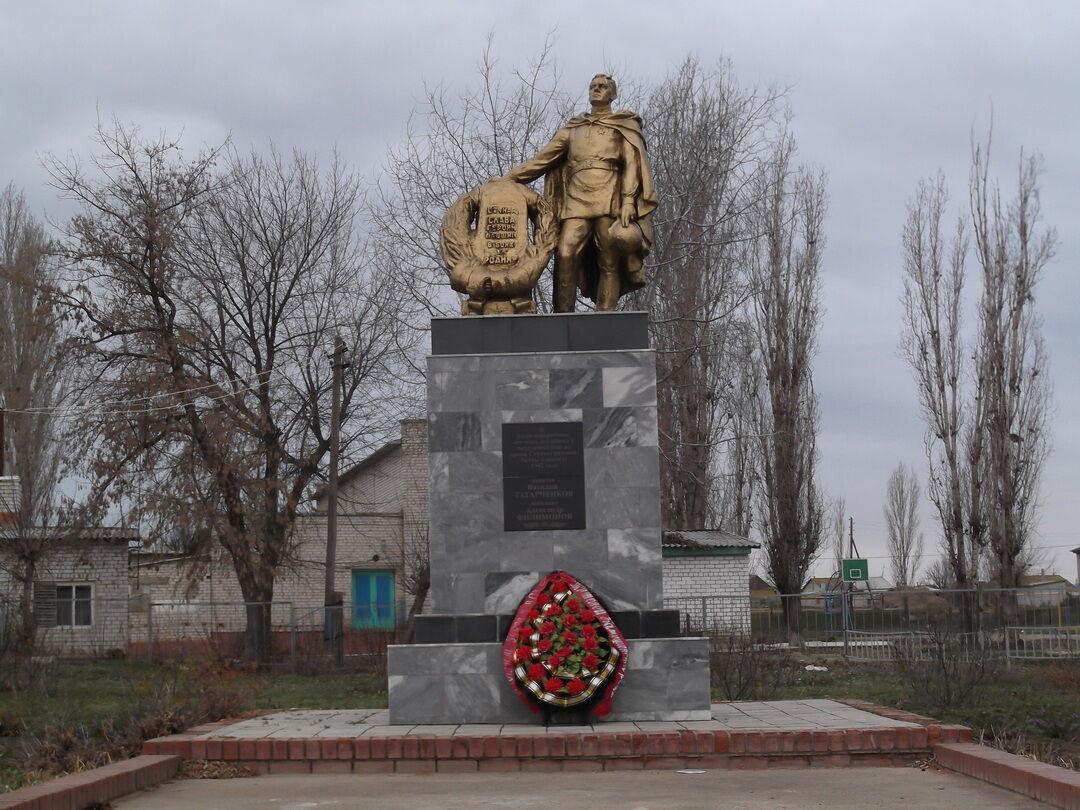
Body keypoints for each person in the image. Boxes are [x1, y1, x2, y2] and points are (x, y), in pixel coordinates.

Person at [504, 74, 657, 312]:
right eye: (593, 86)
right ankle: (563, 316)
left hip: (609, 199)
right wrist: (507, 180)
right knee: (565, 253)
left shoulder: (622, 126)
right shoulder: (574, 129)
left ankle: (605, 315)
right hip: (576, 201)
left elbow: (632, 166)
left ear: (612, 94)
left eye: (602, 87)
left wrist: (628, 201)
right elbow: (541, 160)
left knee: (608, 259)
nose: (596, 90)